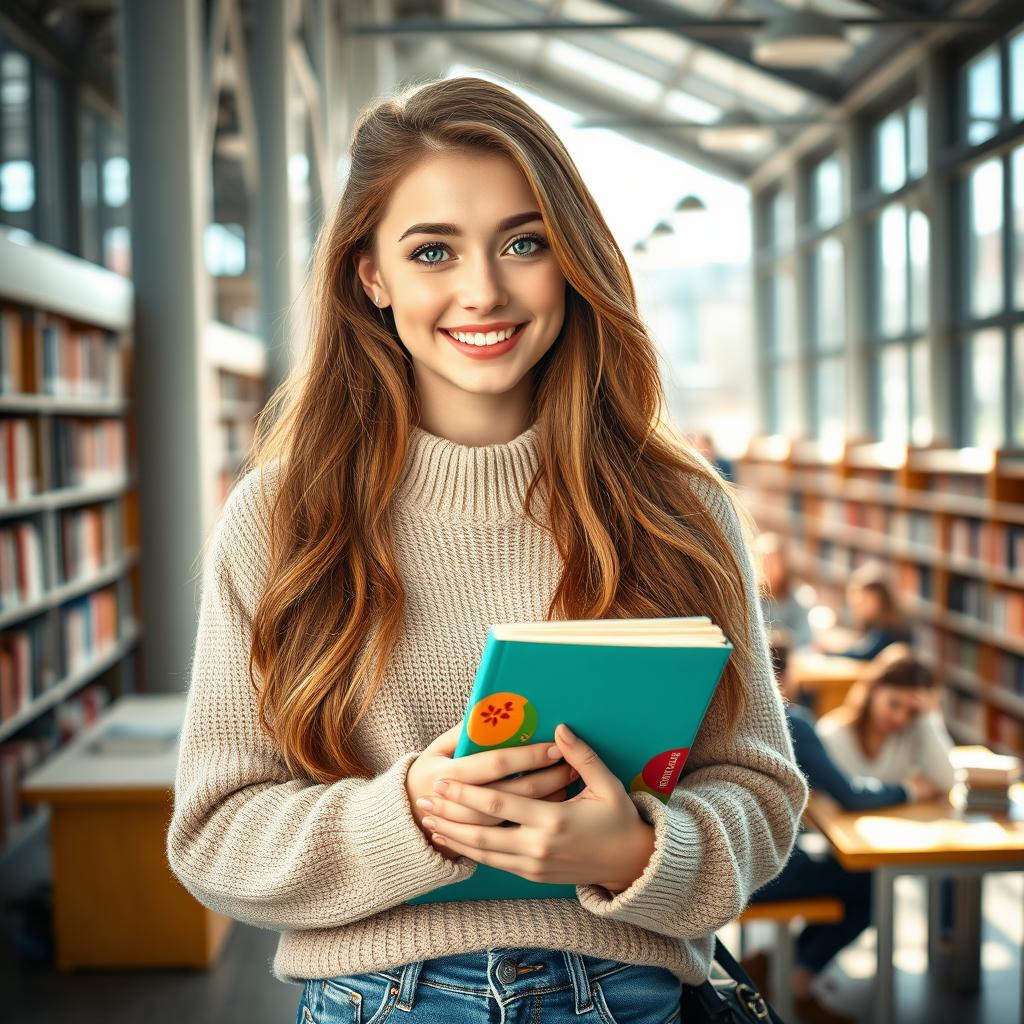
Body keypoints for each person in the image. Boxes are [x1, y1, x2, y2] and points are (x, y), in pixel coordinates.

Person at [165, 75, 807, 1024]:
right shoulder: (280, 516)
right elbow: (214, 836)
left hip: (627, 996)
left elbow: (760, 792)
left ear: (572, 259)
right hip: (376, 1001)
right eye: (432, 251)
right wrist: (412, 814)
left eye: (524, 242)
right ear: (369, 276)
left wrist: (635, 853)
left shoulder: (681, 505)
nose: (484, 291)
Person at [742, 634, 940, 1024]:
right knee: (869, 887)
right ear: (786, 673)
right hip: (765, 871)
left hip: (724, 864)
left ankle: (784, 968)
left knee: (847, 874)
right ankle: (797, 978)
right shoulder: (791, 722)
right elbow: (852, 795)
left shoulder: (732, 719)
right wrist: (909, 789)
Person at [817, 642, 956, 793]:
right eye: (894, 704)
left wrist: (929, 717)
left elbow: (948, 781)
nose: (900, 718)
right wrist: (912, 789)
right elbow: (840, 796)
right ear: (873, 689)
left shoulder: (913, 731)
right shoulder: (831, 734)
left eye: (912, 711)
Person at [816, 561, 913, 661]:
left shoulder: (890, 628)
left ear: (876, 600)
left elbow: (865, 654)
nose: (855, 606)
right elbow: (864, 644)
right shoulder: (877, 623)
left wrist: (829, 653)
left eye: (861, 601)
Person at [754, 532, 816, 650]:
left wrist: (784, 639)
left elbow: (806, 637)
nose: (769, 567)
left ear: (783, 564)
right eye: (765, 562)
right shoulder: (752, 596)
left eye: (773, 562)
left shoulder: (798, 597)